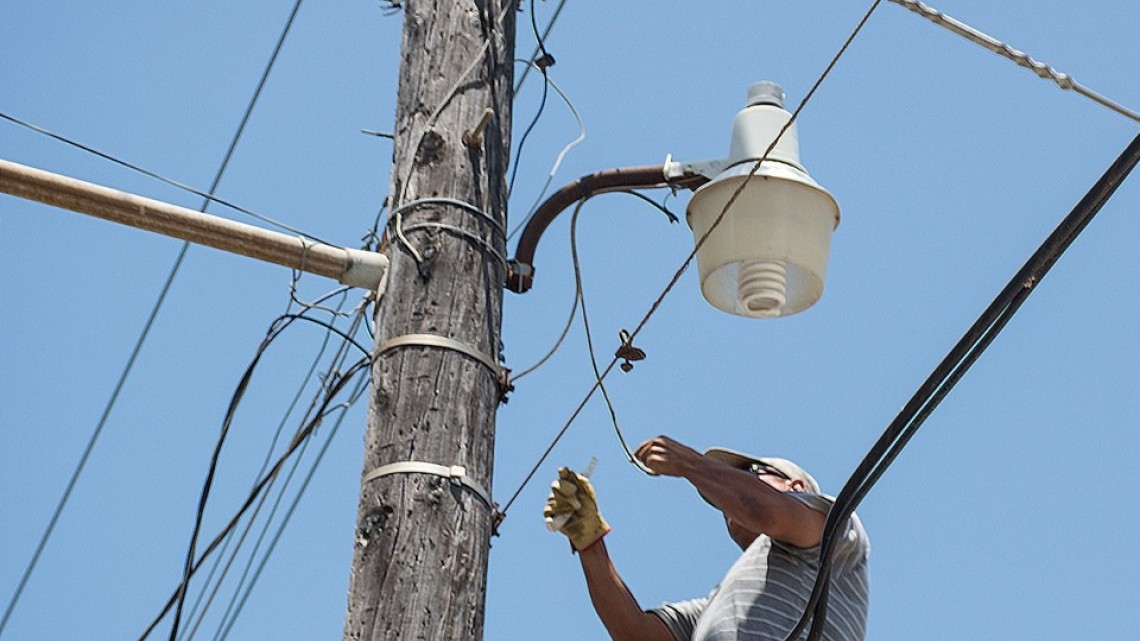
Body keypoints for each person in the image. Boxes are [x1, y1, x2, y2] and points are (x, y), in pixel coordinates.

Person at [543, 435, 869, 641]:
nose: (729, 497)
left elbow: (768, 511)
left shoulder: (833, 529)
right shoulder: (721, 605)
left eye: (749, 473)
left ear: (796, 487)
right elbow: (635, 633)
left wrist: (690, 464)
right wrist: (589, 540)